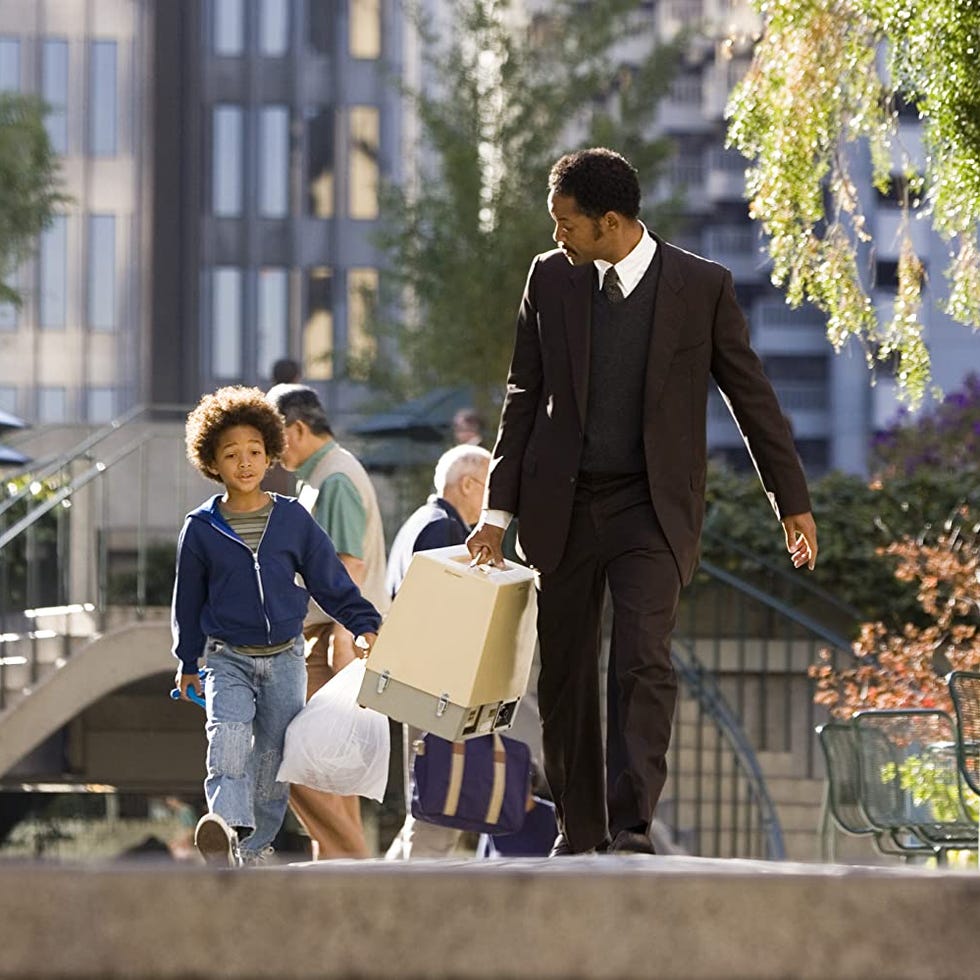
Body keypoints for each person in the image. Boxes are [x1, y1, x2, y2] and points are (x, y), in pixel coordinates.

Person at [467, 147, 818, 857]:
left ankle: (631, 826)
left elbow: (751, 398)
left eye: (567, 222)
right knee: (564, 670)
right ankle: (580, 826)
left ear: (613, 221)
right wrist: (496, 515)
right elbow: (522, 397)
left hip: (651, 510)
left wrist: (791, 500)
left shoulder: (702, 287)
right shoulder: (550, 278)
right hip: (561, 507)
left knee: (642, 658)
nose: (557, 234)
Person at [172, 385, 381, 867]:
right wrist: (187, 661)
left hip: (286, 658)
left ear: (270, 455)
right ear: (212, 462)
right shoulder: (201, 528)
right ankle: (224, 826)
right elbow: (187, 602)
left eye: (254, 452)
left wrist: (364, 623)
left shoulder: (292, 520)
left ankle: (253, 847)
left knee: (272, 758)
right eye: (231, 454)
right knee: (226, 734)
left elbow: (330, 580)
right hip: (228, 658)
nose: (244, 463)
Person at [268, 383, 391, 858]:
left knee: (294, 755)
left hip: (334, 641)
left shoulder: (335, 477)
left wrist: (344, 646)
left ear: (296, 429)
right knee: (332, 768)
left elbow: (348, 568)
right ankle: (342, 872)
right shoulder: (324, 474)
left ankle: (353, 865)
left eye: (274, 439)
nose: (271, 454)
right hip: (332, 639)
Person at [383, 444, 490, 859]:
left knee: (429, 796)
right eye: (490, 489)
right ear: (467, 484)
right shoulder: (444, 529)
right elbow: (441, 612)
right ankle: (414, 900)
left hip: (415, 679)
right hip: (434, 685)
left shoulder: (419, 522)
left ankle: (396, 882)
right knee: (440, 799)